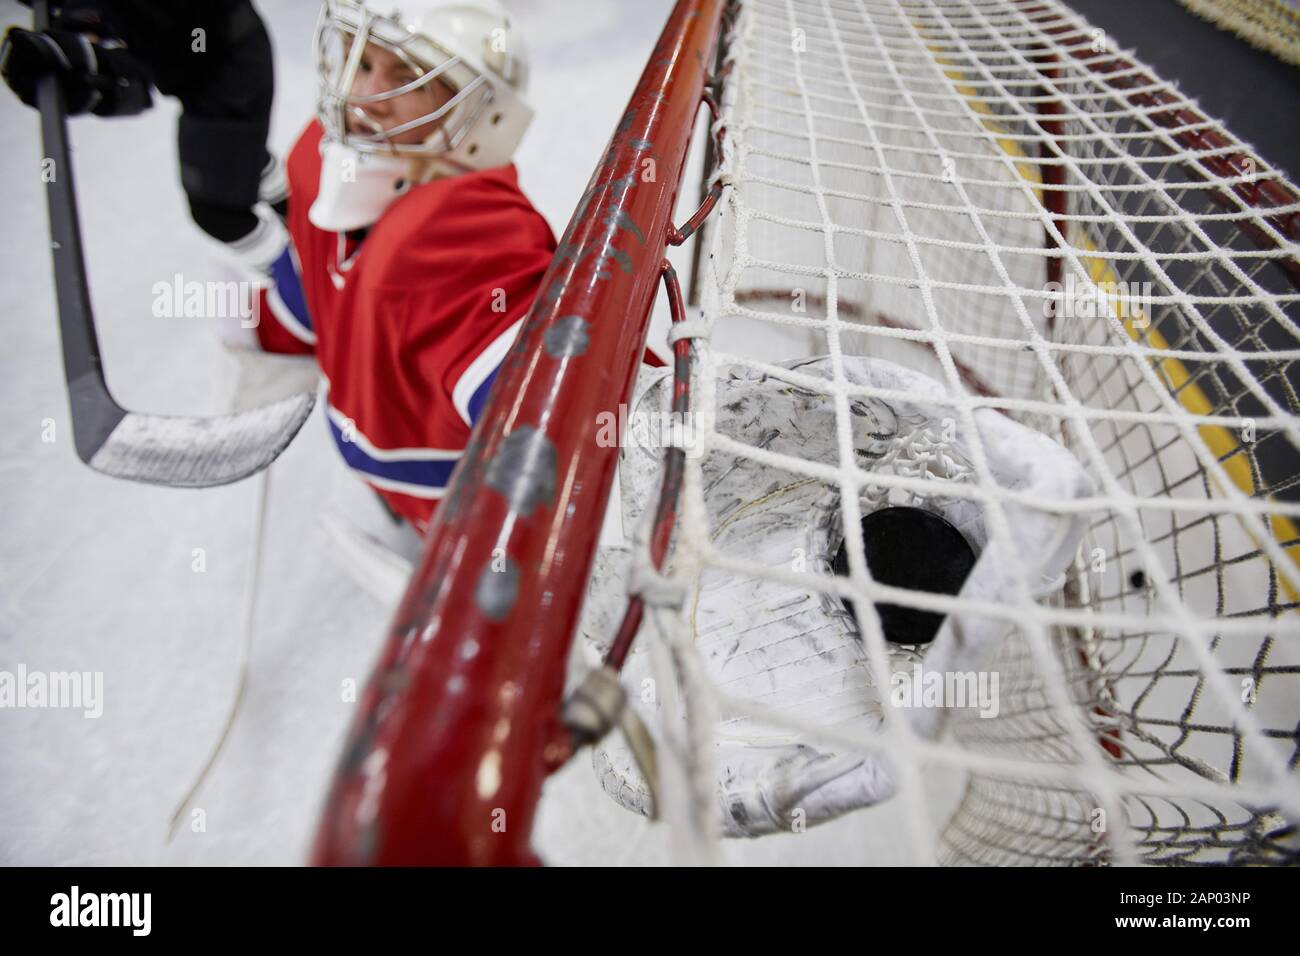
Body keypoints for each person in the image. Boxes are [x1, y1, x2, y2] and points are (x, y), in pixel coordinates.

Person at [248, 0, 560, 534]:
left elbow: (543, 413)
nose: (364, 96)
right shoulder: (316, 157)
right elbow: (320, 293)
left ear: (482, 116)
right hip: (398, 479)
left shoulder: (463, 230)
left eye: (408, 78)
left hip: (471, 527)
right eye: (361, 63)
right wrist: (261, 324)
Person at [1, 0, 289, 268]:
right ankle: (295, 216)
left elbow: (138, 79)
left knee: (217, 214)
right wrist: (81, 23)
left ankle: (299, 285)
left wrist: (93, 64)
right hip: (213, 57)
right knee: (242, 159)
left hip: (225, 62)